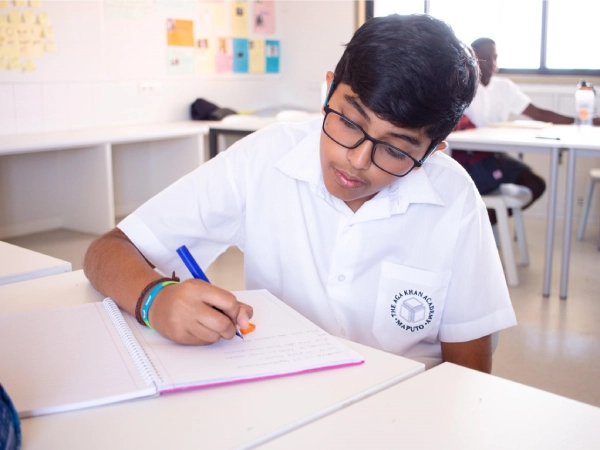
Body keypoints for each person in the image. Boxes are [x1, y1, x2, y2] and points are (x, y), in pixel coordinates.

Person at [83, 14, 516, 373]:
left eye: (394, 149)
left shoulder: (453, 198)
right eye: (348, 122)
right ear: (329, 88)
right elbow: (108, 252)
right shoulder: (265, 157)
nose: (357, 160)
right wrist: (154, 299)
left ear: (434, 149)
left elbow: (468, 376)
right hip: (283, 402)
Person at [452, 37, 600, 223]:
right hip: (468, 157)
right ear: (473, 59)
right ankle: (477, 225)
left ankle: (483, 223)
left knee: (535, 184)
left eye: (495, 58)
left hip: (493, 156)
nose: (493, 64)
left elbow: (537, 113)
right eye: (486, 58)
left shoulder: (504, 87)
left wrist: (579, 121)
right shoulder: (461, 86)